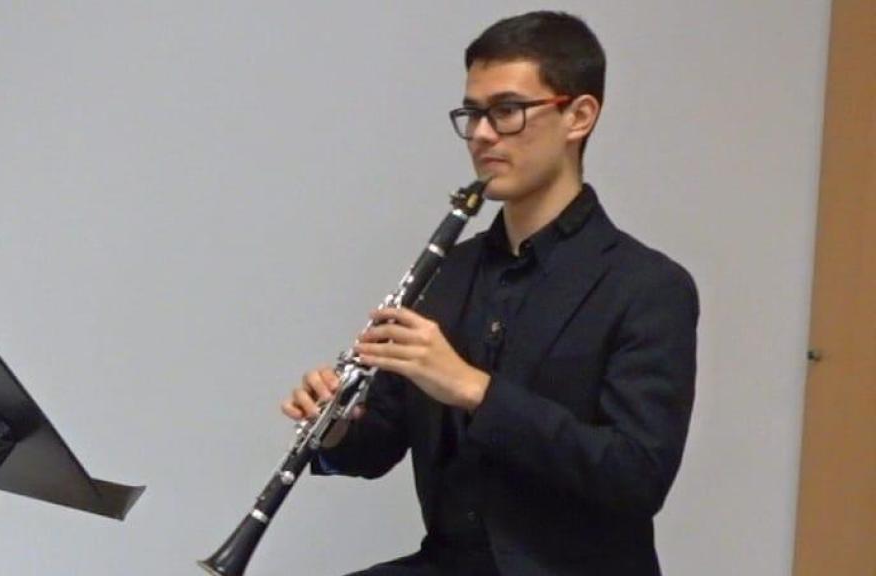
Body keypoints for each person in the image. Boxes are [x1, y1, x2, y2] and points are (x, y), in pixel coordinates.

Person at [281, 10, 698, 576]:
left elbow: (636, 476)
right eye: (473, 113)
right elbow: (376, 448)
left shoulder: (647, 287)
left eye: (506, 111)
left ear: (579, 116)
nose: (481, 134)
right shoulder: (448, 273)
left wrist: (476, 390)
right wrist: (337, 424)